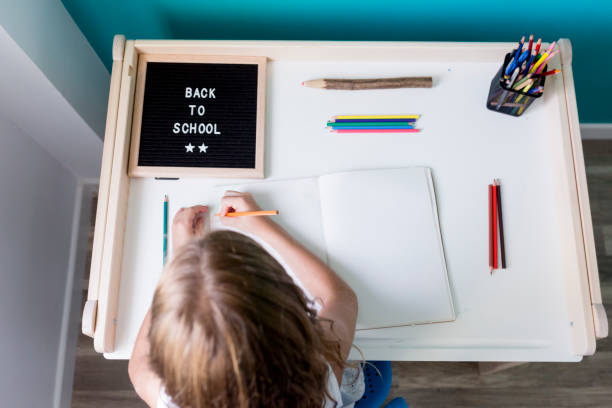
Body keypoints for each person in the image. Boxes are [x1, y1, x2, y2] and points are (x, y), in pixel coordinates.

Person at [128, 191, 363, 407]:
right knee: (353, 381)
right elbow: (340, 297)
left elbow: (137, 370)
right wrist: (262, 226)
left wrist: (181, 262)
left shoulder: (173, 401)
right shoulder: (317, 382)